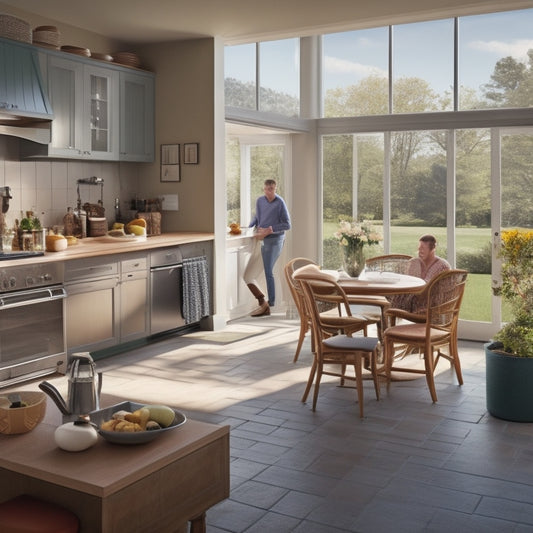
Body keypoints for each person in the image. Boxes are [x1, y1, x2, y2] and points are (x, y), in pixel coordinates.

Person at [244, 179, 291, 317]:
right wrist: (248, 227)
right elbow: (257, 218)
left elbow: (287, 225)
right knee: (255, 272)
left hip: (276, 239)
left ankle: (271, 303)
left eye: (271, 189)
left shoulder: (280, 203)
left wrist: (271, 229)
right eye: (267, 189)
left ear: (275, 189)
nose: (269, 191)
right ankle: (264, 304)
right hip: (262, 239)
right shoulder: (260, 201)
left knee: (268, 269)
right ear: (264, 189)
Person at [389, 234, 450, 313]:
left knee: (392, 298)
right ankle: (387, 319)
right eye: (419, 247)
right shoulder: (415, 262)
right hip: (413, 299)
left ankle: (390, 317)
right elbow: (408, 283)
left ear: (433, 249)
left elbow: (434, 289)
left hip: (432, 305)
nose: (419, 250)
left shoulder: (442, 266)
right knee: (388, 295)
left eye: (423, 248)